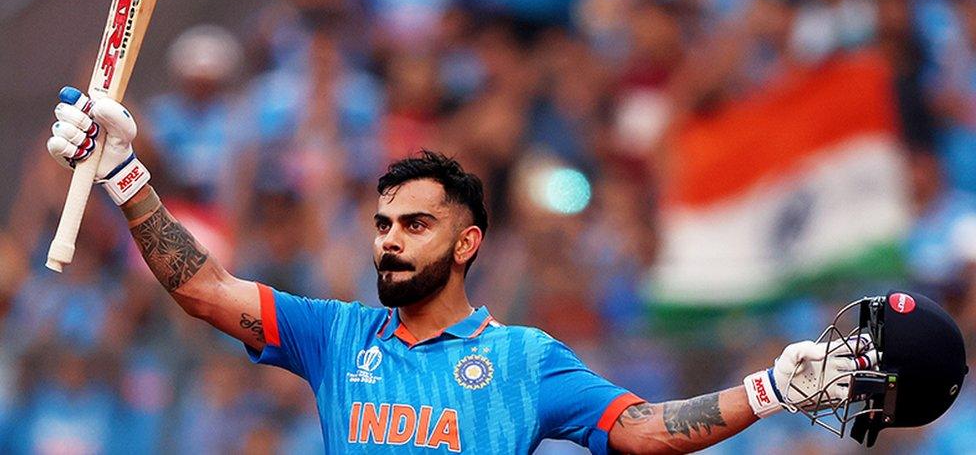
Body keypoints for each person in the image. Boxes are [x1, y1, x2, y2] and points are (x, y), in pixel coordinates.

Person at [46, 87, 865, 453]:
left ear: (467, 242)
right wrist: (125, 172)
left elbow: (641, 428)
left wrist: (770, 389)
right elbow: (201, 288)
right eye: (382, 225)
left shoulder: (524, 360)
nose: (389, 240)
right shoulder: (337, 334)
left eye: (415, 223)